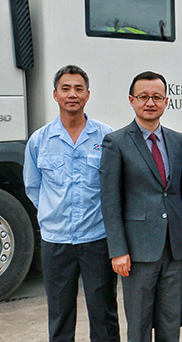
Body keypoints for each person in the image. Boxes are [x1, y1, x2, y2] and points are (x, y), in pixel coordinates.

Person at [23, 64, 119, 342]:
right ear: (55, 94)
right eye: (65, 89)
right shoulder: (40, 140)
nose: (72, 94)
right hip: (56, 241)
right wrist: (53, 212)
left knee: (104, 314)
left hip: (96, 239)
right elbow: (33, 186)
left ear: (88, 94)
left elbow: (114, 186)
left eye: (78, 88)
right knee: (60, 314)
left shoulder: (106, 137)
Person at [100, 71, 182, 342]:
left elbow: (177, 191)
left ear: (166, 101)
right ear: (132, 100)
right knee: (138, 325)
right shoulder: (116, 142)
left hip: (173, 248)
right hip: (137, 251)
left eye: (157, 97)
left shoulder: (177, 140)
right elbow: (110, 201)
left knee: (170, 323)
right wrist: (118, 250)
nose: (150, 102)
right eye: (144, 96)